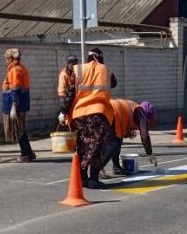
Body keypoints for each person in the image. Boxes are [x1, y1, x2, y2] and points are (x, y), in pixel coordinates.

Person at [58, 48, 116, 189]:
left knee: (82, 146)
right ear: (99, 58)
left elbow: (70, 93)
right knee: (97, 147)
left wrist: (63, 111)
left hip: (79, 115)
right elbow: (114, 83)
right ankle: (93, 179)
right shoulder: (106, 70)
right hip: (99, 114)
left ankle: (83, 179)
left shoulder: (78, 70)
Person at [102, 99, 158, 176]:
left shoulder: (134, 108)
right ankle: (97, 170)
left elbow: (124, 119)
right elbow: (145, 135)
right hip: (111, 112)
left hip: (108, 109)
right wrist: (150, 154)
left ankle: (116, 168)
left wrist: (128, 133)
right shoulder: (141, 113)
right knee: (113, 144)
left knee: (118, 140)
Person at [2, 48, 36, 163]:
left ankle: (25, 154)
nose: (5, 61)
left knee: (19, 130)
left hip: (16, 104)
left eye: (6, 59)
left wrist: (13, 107)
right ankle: (29, 153)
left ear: (11, 59)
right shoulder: (20, 67)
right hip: (21, 103)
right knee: (21, 129)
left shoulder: (15, 70)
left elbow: (15, 89)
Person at [57, 55, 78, 120]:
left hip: (76, 97)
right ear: (69, 64)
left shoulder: (77, 72)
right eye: (72, 64)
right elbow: (62, 91)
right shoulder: (64, 74)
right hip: (66, 98)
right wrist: (65, 105)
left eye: (75, 64)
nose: (74, 66)